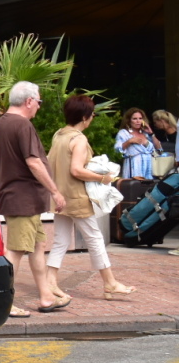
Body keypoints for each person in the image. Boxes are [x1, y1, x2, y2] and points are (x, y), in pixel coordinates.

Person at [46, 94, 137, 301]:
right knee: (95, 238)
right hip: (76, 197)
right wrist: (103, 178)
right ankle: (110, 283)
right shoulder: (78, 139)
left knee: (61, 240)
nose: (93, 117)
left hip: (60, 196)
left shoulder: (59, 134)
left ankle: (51, 281)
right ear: (85, 117)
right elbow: (77, 170)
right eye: (92, 114)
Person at [0, 81, 68, 316]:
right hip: (24, 199)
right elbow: (34, 162)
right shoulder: (22, 125)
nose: (39, 107)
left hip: (19, 198)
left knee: (37, 246)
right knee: (16, 251)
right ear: (29, 101)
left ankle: (45, 297)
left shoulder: (0, 124)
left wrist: (1, 188)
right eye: (39, 102)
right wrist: (55, 191)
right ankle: (4, 302)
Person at [115, 107, 158, 179]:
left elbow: (159, 149)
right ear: (129, 120)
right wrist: (129, 141)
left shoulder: (146, 134)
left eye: (140, 118)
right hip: (134, 169)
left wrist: (151, 133)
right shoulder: (123, 133)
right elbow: (116, 151)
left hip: (148, 169)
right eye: (135, 119)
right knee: (135, 188)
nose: (138, 121)